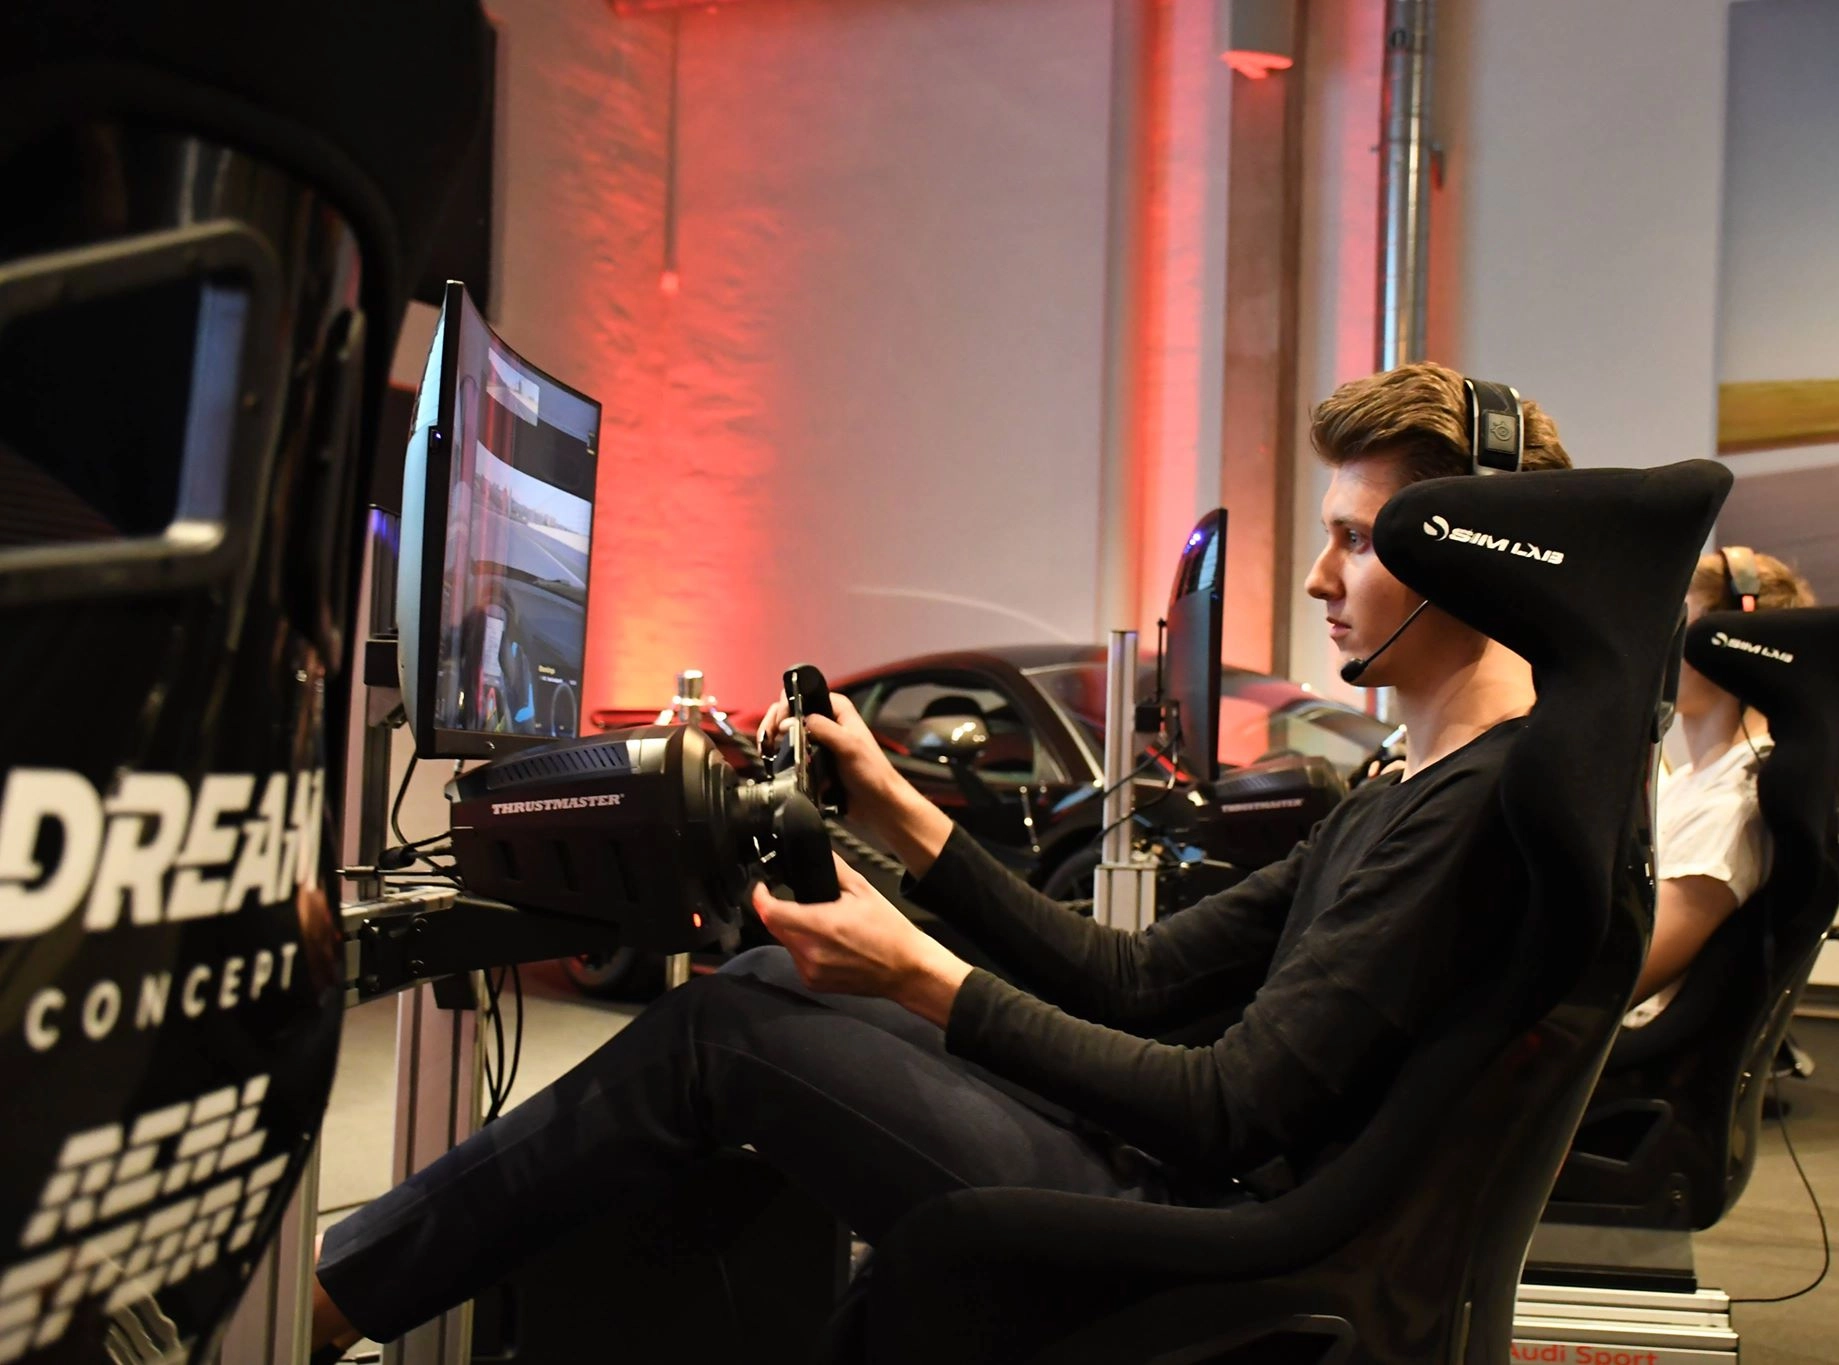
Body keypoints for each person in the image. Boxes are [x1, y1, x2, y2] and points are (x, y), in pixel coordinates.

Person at [308, 363, 1573, 1354]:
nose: (1315, 578)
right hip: (1214, 1198)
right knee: (767, 985)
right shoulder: (1403, 789)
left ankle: (324, 1305)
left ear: (1469, 556)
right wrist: (898, 808)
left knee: (720, 1037)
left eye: (1356, 540)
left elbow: (1224, 1105)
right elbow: (1132, 977)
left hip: (1217, 1243)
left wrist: (916, 974)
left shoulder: (1469, 813)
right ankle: (374, 1291)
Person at [1624, 548, 1816, 1027]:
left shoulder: (1729, 807)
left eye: (1676, 626)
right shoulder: (1692, 782)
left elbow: (1619, 983)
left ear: (1731, 646)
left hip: (1623, 1049)